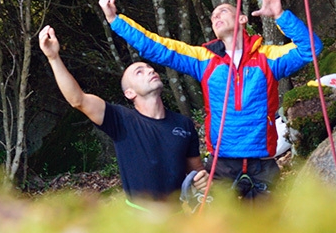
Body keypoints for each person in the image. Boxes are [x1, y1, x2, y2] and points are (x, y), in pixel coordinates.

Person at [98, 0, 322, 197]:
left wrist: (280, 15)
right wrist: (114, 19)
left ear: (242, 19)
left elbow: (310, 48)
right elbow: (157, 47)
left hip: (262, 165)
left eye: (223, 11)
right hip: (221, 165)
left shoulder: (268, 57)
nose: (216, 16)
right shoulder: (204, 60)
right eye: (213, 15)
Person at [38, 25, 208, 209]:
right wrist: (53, 58)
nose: (150, 71)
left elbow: (196, 171)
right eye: (139, 72)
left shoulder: (183, 124)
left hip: (177, 220)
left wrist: (203, 180)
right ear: (129, 93)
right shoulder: (121, 119)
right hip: (137, 222)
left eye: (150, 68)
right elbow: (78, 100)